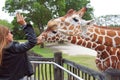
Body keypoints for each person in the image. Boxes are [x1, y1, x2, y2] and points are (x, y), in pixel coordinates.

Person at [0, 13, 43, 80]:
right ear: (5, 36)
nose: (12, 34)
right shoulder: (13, 48)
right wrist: (24, 24)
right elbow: (31, 42)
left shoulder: (7, 49)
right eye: (10, 32)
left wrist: (33, 42)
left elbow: (20, 48)